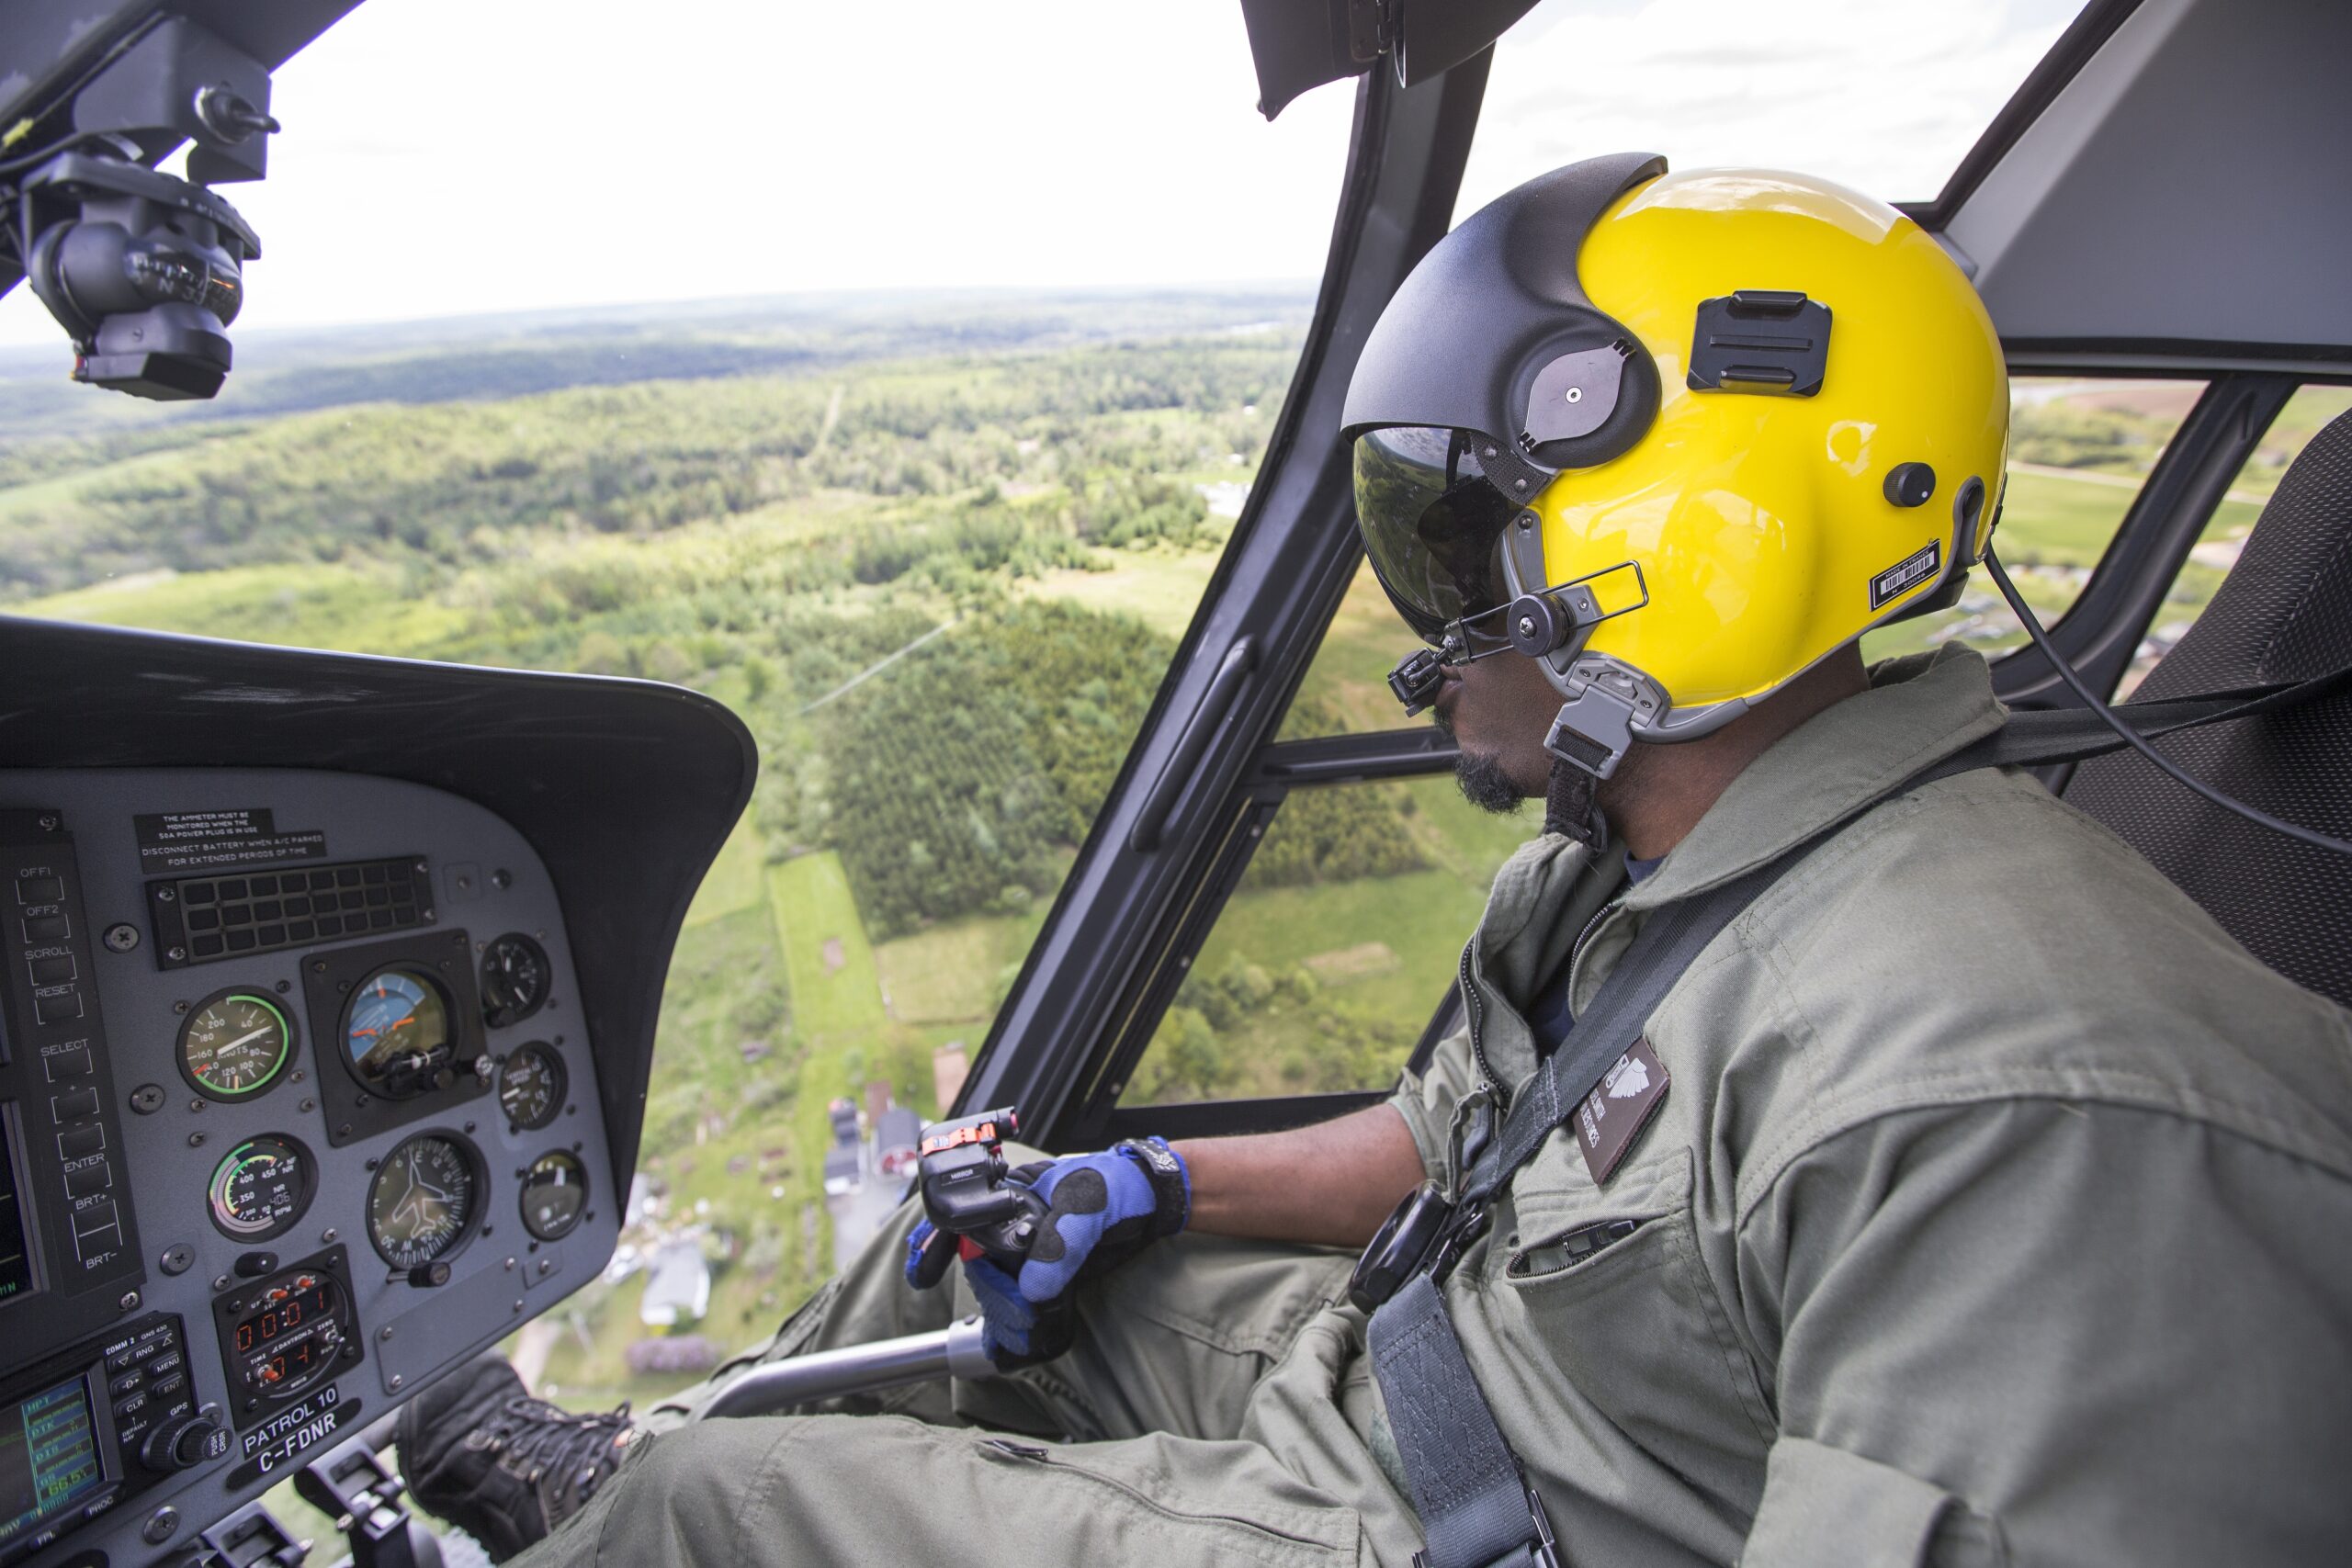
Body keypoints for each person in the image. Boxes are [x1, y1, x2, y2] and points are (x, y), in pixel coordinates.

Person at [399, 157, 2352, 1567]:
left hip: (1460, 1510)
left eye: (1445, 543)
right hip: (1421, 1366)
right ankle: (610, 1483)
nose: (1411, 617)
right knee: (957, 1241)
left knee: (711, 1508)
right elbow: (1458, 1138)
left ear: (1684, 570)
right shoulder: (1642, 865)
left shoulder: (2032, 1105)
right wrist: (1146, 1174)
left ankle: (617, 1511)